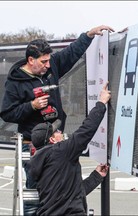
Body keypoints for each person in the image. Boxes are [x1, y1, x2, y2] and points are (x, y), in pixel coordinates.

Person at [0, 25, 114, 215]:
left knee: (63, 187)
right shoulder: (15, 82)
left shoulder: (52, 65)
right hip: (35, 145)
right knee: (36, 195)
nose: (47, 65)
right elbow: (7, 113)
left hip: (56, 140)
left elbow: (71, 53)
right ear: (31, 60)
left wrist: (87, 35)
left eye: (48, 61)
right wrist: (32, 106)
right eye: (43, 62)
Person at [26, 81, 111, 215]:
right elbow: (86, 131)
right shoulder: (61, 151)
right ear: (52, 140)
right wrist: (101, 103)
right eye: (56, 132)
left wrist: (96, 176)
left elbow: (72, 194)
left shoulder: (40, 162)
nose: (60, 132)